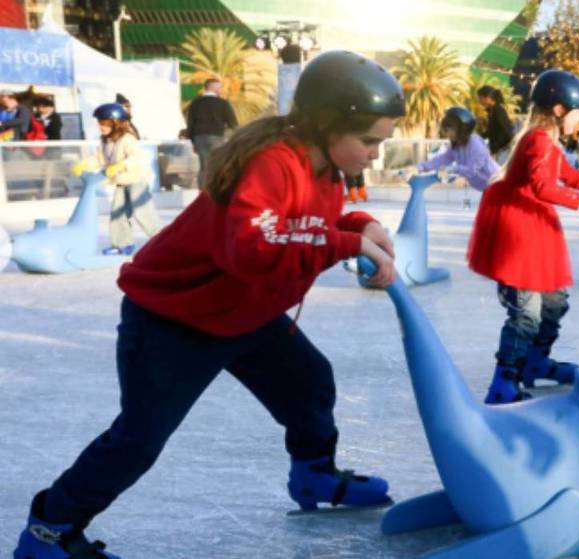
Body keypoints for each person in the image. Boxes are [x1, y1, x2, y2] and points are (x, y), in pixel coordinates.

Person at [13, 50, 402, 559]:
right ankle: (50, 528)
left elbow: (304, 225)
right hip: (175, 321)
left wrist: (357, 225)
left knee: (309, 383)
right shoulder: (273, 162)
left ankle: (315, 477)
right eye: (370, 140)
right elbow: (254, 244)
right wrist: (346, 243)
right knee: (139, 439)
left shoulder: (324, 169)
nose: (376, 153)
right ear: (328, 125)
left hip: (245, 312)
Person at [467, 70, 579, 405]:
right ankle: (504, 380)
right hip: (519, 233)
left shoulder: (547, 140)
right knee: (526, 312)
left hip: (535, 229)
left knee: (554, 303)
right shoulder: (537, 139)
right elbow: (543, 187)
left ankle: (534, 363)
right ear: (559, 109)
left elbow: (565, 175)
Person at [71, 103, 162, 255]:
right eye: (99, 123)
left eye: (104, 123)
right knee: (117, 214)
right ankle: (122, 244)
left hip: (136, 181)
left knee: (143, 212)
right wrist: (84, 164)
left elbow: (137, 157)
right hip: (121, 182)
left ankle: (163, 241)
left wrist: (121, 165)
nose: (101, 127)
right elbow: (100, 159)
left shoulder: (128, 139)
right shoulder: (106, 140)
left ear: (116, 122)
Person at [417, 106, 499, 209]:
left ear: (461, 129)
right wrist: (420, 167)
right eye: (446, 130)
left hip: (499, 187)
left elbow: (471, 170)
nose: (447, 134)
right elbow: (442, 159)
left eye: (450, 129)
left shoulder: (476, 144)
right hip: (488, 189)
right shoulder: (457, 145)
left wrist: (452, 168)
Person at [186, 78, 239, 183]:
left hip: (200, 138)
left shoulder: (195, 103)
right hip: (216, 137)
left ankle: (202, 192)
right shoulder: (223, 103)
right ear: (213, 88)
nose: (221, 90)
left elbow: (190, 123)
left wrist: (193, 141)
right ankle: (216, 190)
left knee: (204, 166)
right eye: (219, 87)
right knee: (217, 166)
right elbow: (233, 123)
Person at [477, 85, 514, 163]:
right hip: (497, 150)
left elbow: (507, 130)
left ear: (487, 97)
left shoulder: (498, 111)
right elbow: (491, 131)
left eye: (480, 98)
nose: (479, 101)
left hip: (502, 152)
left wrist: (499, 147)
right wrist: (478, 136)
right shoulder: (492, 111)